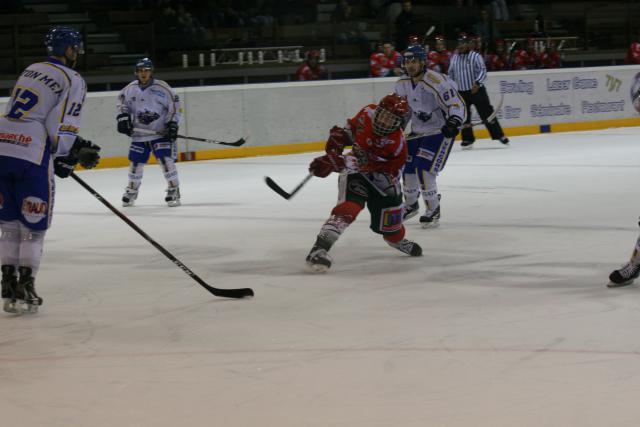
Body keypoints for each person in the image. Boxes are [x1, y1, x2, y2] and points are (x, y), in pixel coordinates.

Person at [0, 26, 101, 314]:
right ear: (69, 49)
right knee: (33, 229)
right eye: (76, 48)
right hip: (32, 152)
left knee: (8, 226)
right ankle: (26, 285)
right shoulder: (73, 78)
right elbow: (62, 124)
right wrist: (67, 152)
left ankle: (7, 283)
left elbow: (22, 110)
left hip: (2, 145)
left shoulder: (31, 69)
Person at [305, 93, 422, 272]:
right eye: (383, 114)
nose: (383, 122)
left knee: (391, 230)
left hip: (385, 182)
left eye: (390, 120)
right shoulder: (367, 112)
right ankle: (319, 249)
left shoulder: (395, 144)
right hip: (356, 174)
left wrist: (338, 161)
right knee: (349, 208)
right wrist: (338, 141)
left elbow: (370, 164)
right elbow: (351, 129)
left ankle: (397, 241)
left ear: (400, 124)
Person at [394, 45, 466, 227]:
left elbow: (456, 104)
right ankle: (410, 205)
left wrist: (454, 121)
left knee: (424, 169)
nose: (410, 66)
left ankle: (433, 209)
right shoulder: (402, 84)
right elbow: (403, 111)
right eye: (407, 62)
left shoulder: (436, 81)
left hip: (439, 132)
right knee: (407, 167)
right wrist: (398, 124)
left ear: (422, 62)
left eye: (414, 61)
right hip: (418, 132)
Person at [116, 57, 183, 207]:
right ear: (136, 72)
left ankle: (174, 189)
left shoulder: (163, 88)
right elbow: (121, 102)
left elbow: (175, 107)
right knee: (135, 163)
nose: (144, 73)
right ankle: (132, 191)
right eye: (140, 71)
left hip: (160, 134)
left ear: (151, 72)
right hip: (139, 135)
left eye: (146, 70)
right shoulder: (129, 89)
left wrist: (172, 124)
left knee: (165, 161)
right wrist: (122, 117)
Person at [448, 32, 509, 148]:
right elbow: (451, 74)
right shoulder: (454, 58)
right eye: (459, 44)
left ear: (467, 45)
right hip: (461, 92)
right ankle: (468, 139)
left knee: (487, 113)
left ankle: (499, 135)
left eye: (463, 44)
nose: (460, 46)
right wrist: (452, 87)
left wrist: (477, 83)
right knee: (464, 116)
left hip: (477, 90)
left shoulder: (475, 56)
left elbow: (482, 70)